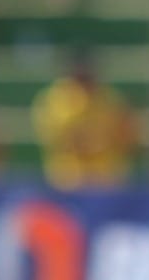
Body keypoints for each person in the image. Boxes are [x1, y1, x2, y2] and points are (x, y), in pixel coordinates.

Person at [30, 54, 140, 188]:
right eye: (82, 76)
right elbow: (67, 140)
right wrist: (98, 139)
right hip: (68, 179)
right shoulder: (54, 101)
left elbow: (129, 141)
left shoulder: (111, 99)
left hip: (108, 180)